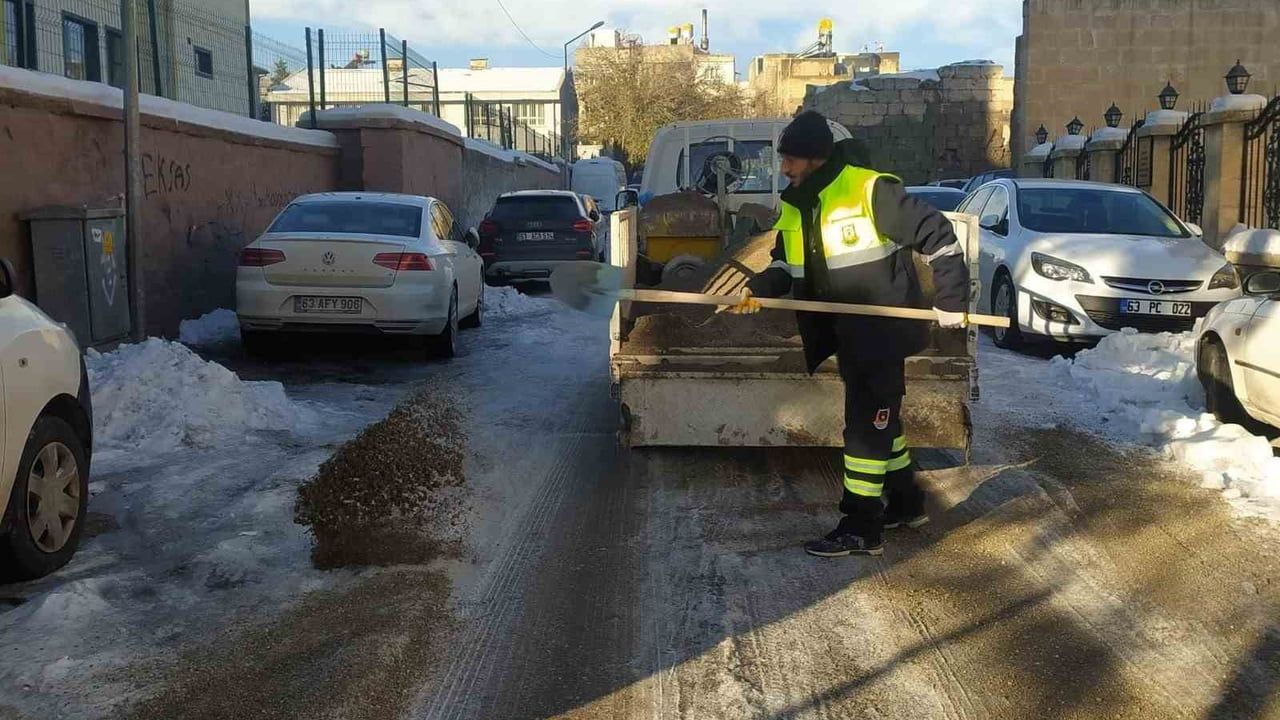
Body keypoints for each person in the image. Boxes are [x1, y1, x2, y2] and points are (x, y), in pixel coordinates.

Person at [726, 110, 970, 558]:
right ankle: (905, 502)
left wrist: (952, 301)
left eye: (792, 159)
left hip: (881, 330)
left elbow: (939, 235)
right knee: (882, 423)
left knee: (863, 432)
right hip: (844, 332)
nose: (784, 168)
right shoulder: (798, 203)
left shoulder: (869, 189)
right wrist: (759, 287)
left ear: (816, 158)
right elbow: (785, 264)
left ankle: (861, 526)